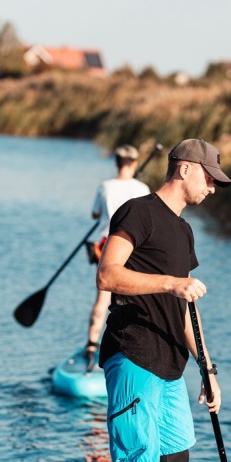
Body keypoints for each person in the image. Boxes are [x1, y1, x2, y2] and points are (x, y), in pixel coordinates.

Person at [95, 138, 231, 462]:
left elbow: (186, 310)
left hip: (172, 364)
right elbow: (107, 275)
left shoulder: (184, 232)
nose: (211, 188)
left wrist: (207, 368)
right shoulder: (138, 212)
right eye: (209, 178)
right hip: (133, 355)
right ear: (186, 169)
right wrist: (171, 283)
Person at [84, 145, 151, 367]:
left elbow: (95, 214)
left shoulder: (104, 186)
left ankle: (91, 345)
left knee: (102, 298)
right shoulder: (142, 188)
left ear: (116, 162)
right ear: (134, 163)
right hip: (132, 248)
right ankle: (131, 347)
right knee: (132, 296)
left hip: (104, 245)